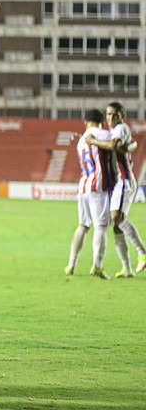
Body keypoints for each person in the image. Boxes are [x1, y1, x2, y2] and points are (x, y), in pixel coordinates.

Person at [87, 102, 145, 277]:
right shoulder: (115, 132)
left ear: (121, 115)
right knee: (118, 226)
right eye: (108, 115)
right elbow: (121, 147)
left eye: (114, 114)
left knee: (116, 217)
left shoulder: (120, 128)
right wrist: (129, 146)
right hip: (119, 181)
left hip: (124, 180)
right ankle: (126, 268)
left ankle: (142, 253)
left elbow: (113, 145)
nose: (110, 118)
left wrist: (92, 141)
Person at [65, 109, 113, 279]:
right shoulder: (104, 134)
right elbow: (116, 144)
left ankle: (72, 263)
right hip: (98, 186)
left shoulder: (81, 140)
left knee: (83, 225)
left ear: (86, 122)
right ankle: (97, 266)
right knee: (101, 226)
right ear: (102, 122)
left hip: (83, 186)